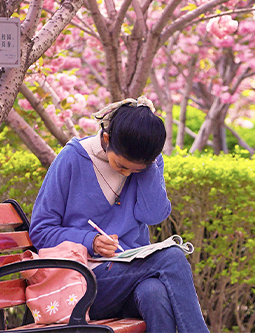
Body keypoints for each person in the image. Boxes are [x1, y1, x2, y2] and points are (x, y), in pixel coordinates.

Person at [30, 96, 210, 333]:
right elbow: (41, 231)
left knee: (154, 293)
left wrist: (147, 168)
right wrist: (90, 241)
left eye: (136, 169)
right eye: (123, 165)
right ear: (106, 139)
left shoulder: (146, 163)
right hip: (82, 281)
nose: (127, 173)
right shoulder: (73, 158)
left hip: (127, 278)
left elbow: (153, 214)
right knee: (172, 256)